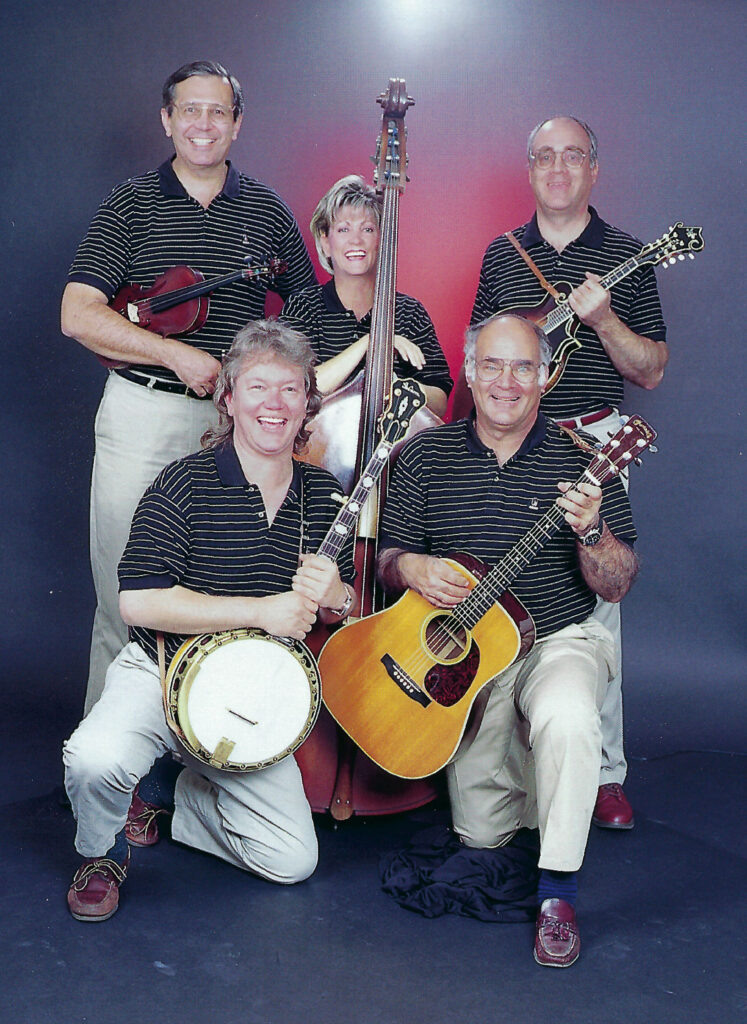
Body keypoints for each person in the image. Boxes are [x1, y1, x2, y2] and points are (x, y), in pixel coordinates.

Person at [63, 320, 356, 922]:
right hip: (163, 673)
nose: (274, 405)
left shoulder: (325, 495)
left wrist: (340, 596)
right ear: (227, 397)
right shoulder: (183, 481)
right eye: (257, 387)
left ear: (308, 404)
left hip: (250, 696)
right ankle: (102, 851)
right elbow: (138, 603)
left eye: (291, 390)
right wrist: (260, 612)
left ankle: (174, 797)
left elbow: (342, 608)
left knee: (292, 860)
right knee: (93, 757)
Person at [378, 313, 639, 966]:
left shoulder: (586, 462)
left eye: (523, 366)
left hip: (557, 641)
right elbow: (387, 559)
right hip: (473, 658)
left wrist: (589, 532)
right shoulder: (424, 456)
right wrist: (410, 567)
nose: (505, 381)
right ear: (468, 372)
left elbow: (616, 583)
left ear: (545, 377)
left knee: (569, 716)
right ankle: (535, 787)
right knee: (481, 836)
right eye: (491, 365)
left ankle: (557, 894)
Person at [61, 61, 317, 715]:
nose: (204, 124)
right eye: (190, 110)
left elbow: (310, 309)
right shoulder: (131, 203)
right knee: (126, 596)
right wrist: (173, 353)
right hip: (144, 414)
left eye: (219, 112)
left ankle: (207, 760)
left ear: (236, 124)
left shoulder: (263, 211)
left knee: (217, 591)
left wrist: (263, 377)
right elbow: (78, 313)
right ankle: (117, 782)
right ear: (168, 120)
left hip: (232, 431)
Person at [468, 115, 668, 829]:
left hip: (591, 445)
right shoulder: (502, 254)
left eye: (572, 156)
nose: (558, 168)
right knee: (498, 596)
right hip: (506, 442)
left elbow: (649, 370)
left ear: (593, 169)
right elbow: (479, 351)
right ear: (529, 170)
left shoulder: (628, 254)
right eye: (544, 157)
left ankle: (602, 771)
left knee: (594, 608)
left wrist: (607, 319)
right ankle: (507, 769)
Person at [280, 174, 452, 415]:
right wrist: (372, 342)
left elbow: (439, 401)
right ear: (326, 241)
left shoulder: (410, 312)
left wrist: (395, 387)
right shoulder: (303, 307)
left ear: (382, 240)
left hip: (393, 450)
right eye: (343, 229)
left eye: (368, 229)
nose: (356, 240)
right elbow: (293, 388)